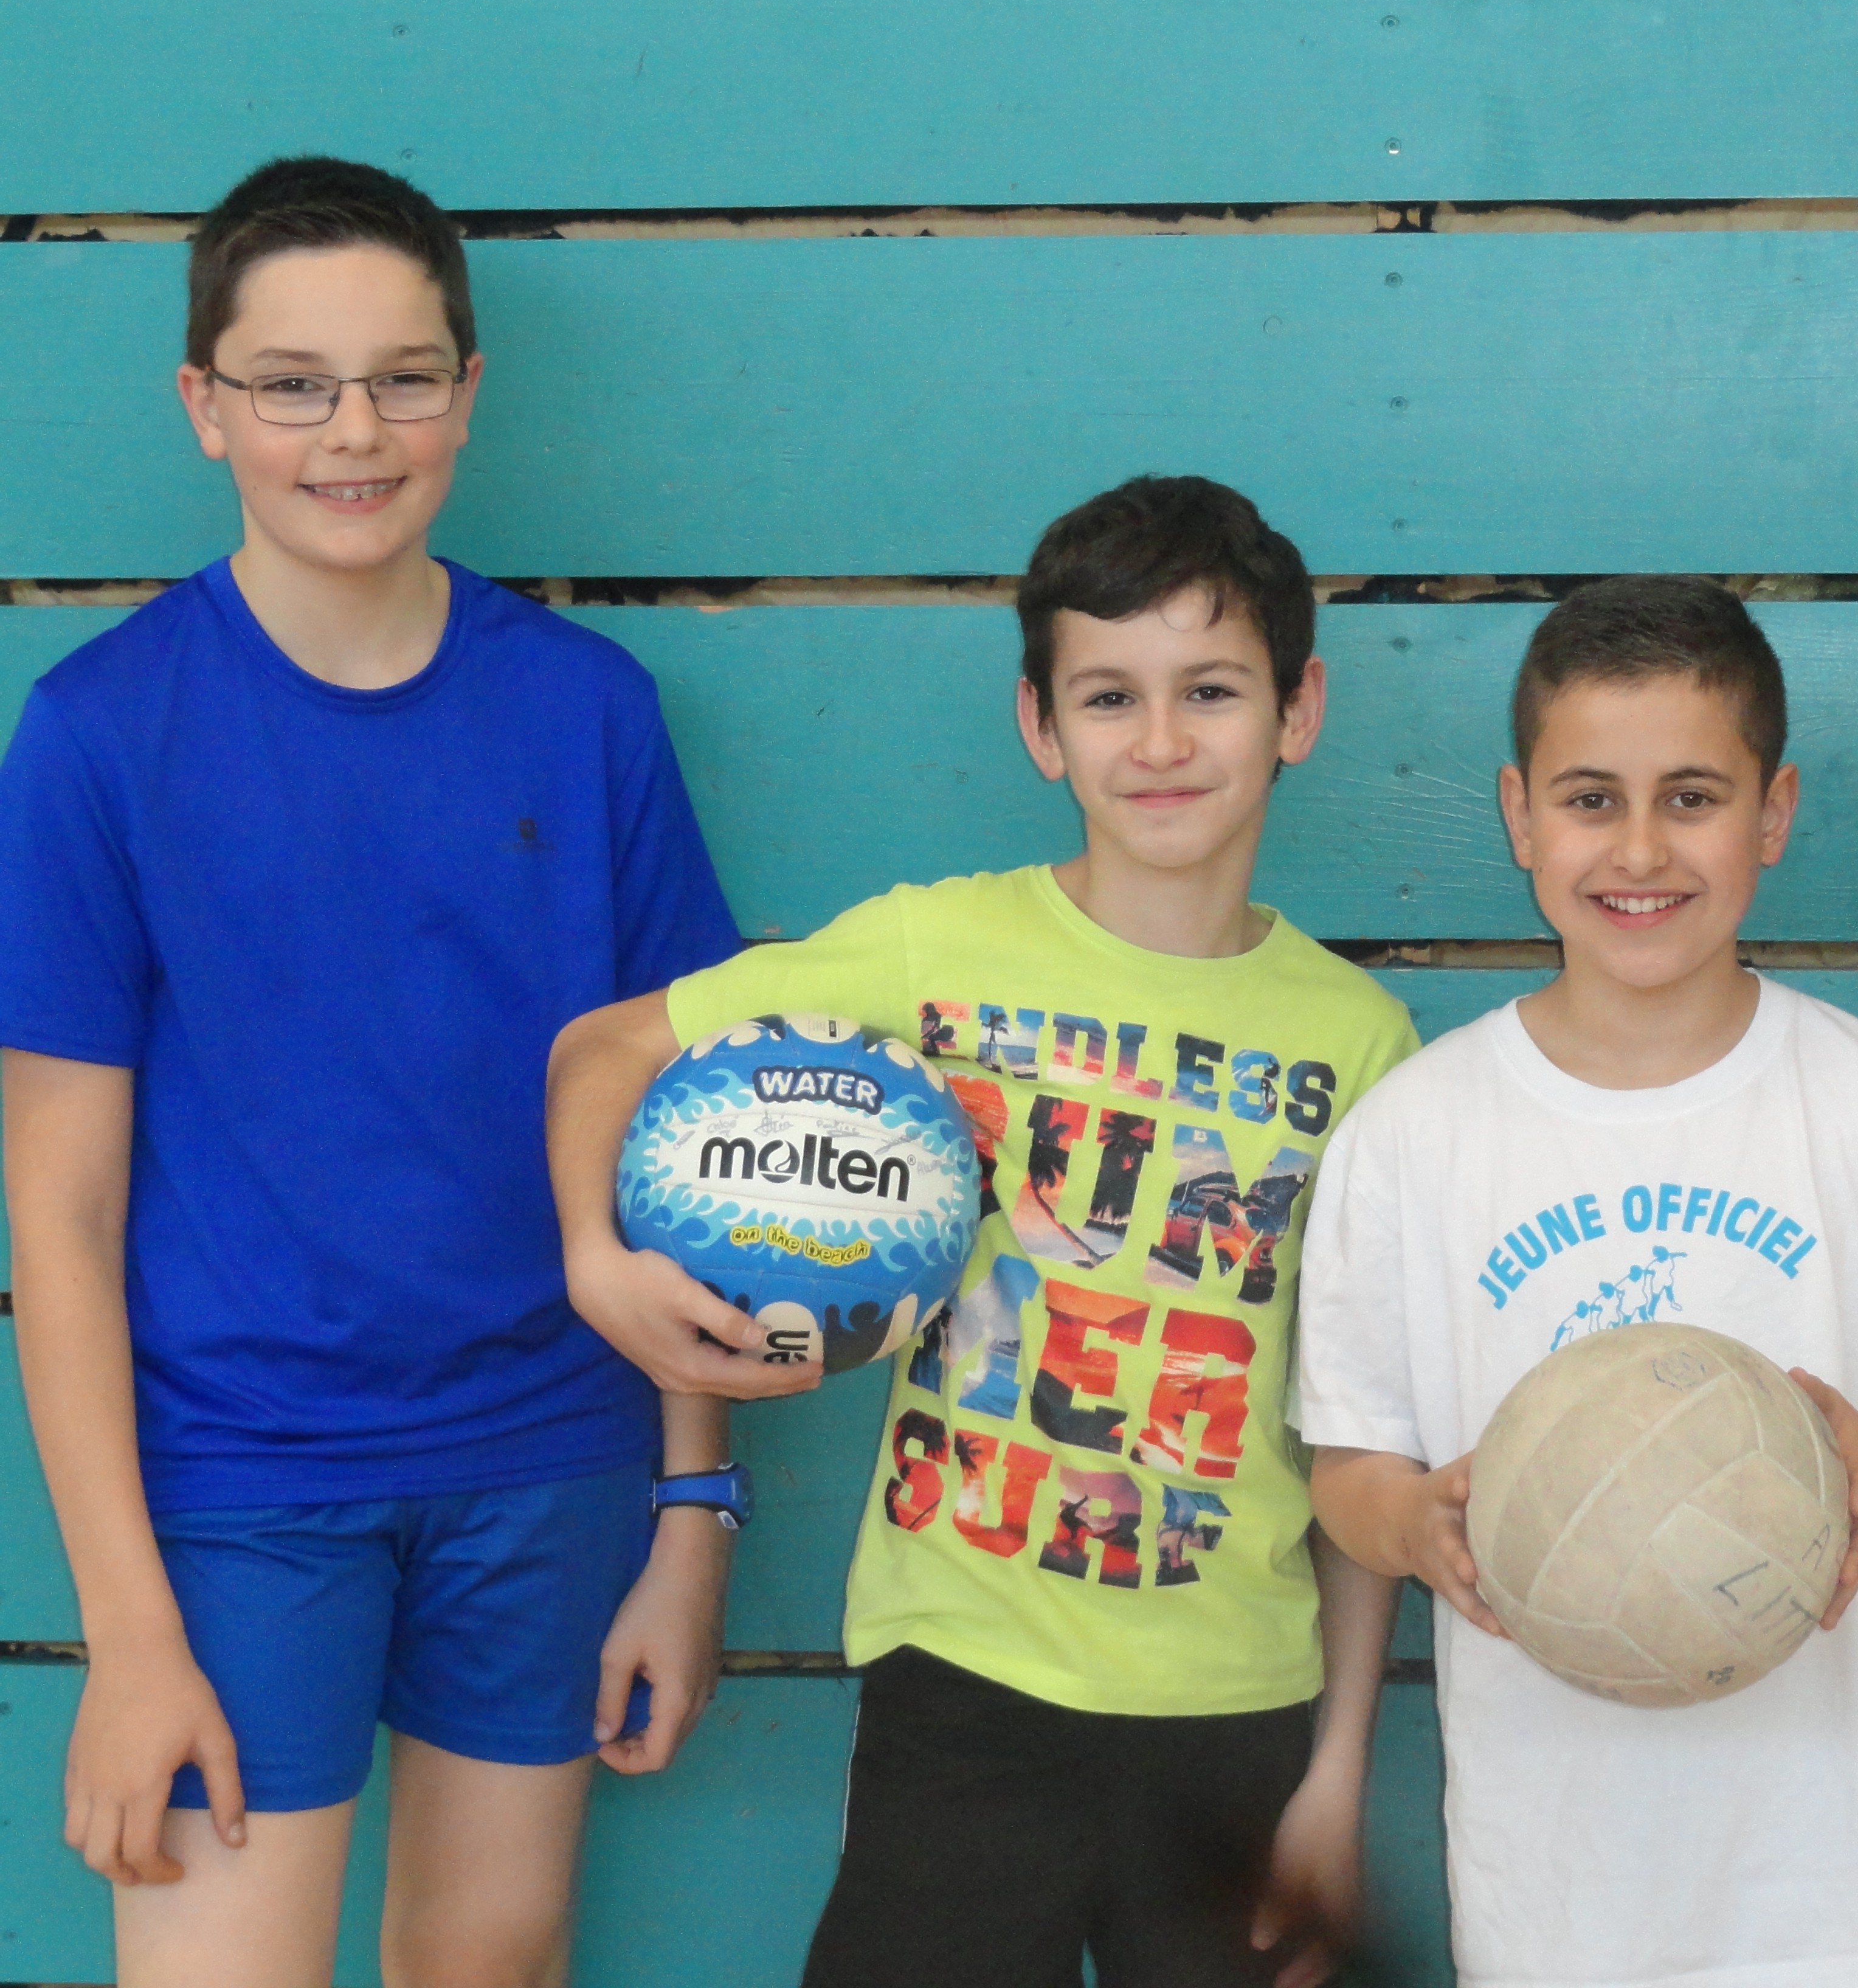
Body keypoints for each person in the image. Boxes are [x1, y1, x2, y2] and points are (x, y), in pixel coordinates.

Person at [0, 157, 744, 1988]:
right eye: (294, 382)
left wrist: (692, 1511)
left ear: (469, 394)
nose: (355, 429)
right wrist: (127, 1636)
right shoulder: (98, 733)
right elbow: (63, 1212)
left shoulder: (587, 710)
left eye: (406, 376)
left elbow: (689, 1150)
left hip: (549, 1461)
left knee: (486, 1968)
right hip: (241, 1481)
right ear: (207, 408)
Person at [543, 473, 1420, 1988]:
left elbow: (1364, 1429)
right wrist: (599, 1261)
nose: (1158, 743)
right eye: (1108, 697)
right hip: (960, 1676)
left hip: (1236, 1709)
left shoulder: (1359, 1042)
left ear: (1299, 707)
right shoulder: (933, 949)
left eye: (1210, 690)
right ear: (1039, 724)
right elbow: (601, 1054)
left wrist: (1336, 1771)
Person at [1297, 577, 1858, 1988]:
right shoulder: (1416, 1134)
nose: (1639, 849)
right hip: (1566, 1913)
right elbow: (1348, 1472)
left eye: (1692, 797)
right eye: (1588, 799)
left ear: (1775, 812)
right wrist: (1424, 1522)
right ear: (1517, 816)